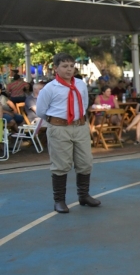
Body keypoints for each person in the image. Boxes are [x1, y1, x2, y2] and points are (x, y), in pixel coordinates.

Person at [36, 53, 101, 214]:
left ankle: (84, 195)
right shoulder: (50, 88)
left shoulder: (80, 84)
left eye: (71, 66)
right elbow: (41, 111)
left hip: (80, 126)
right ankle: (59, 200)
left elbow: (84, 104)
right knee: (61, 164)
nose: (69, 69)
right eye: (65, 66)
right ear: (56, 68)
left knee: (85, 161)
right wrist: (57, 123)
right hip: (59, 128)